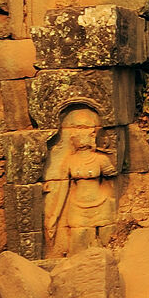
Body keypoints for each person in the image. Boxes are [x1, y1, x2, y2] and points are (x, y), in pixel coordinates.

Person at [42, 104, 118, 258]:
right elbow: (63, 190)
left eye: (85, 129)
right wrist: (54, 217)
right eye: (77, 129)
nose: (81, 135)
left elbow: (113, 179)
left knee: (106, 242)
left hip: (101, 205)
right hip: (77, 208)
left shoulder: (100, 159)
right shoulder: (69, 161)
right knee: (78, 242)